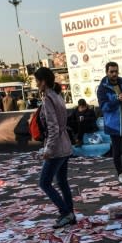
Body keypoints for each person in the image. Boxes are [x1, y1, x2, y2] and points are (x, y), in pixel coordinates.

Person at [34, 67, 76, 228]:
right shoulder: (58, 96)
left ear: (43, 81)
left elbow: (52, 127)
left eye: (37, 81)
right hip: (65, 144)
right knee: (62, 181)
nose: (36, 84)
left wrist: (48, 149)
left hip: (57, 147)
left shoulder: (48, 99)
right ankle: (70, 213)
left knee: (44, 182)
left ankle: (65, 212)